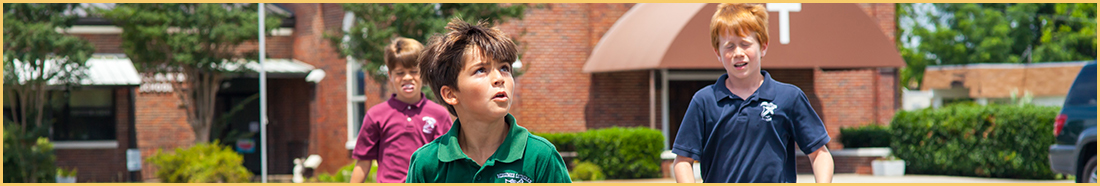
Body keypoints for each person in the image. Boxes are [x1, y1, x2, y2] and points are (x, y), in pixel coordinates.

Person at [671, 3, 834, 183]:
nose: (738, 53)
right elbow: (682, 161)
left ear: (763, 46)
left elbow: (820, 154)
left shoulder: (789, 97)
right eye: (729, 46)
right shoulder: (704, 101)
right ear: (717, 52)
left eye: (745, 44)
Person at [405, 18, 571, 183]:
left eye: (504, 68)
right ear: (450, 94)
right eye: (481, 70)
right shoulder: (426, 163)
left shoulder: (540, 157)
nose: (499, 78)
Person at [350, 37, 453, 183]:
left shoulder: (439, 114)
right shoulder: (376, 115)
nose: (407, 77)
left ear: (423, 75)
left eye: (413, 71)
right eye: (399, 73)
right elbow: (363, 162)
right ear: (390, 76)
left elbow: (448, 161)